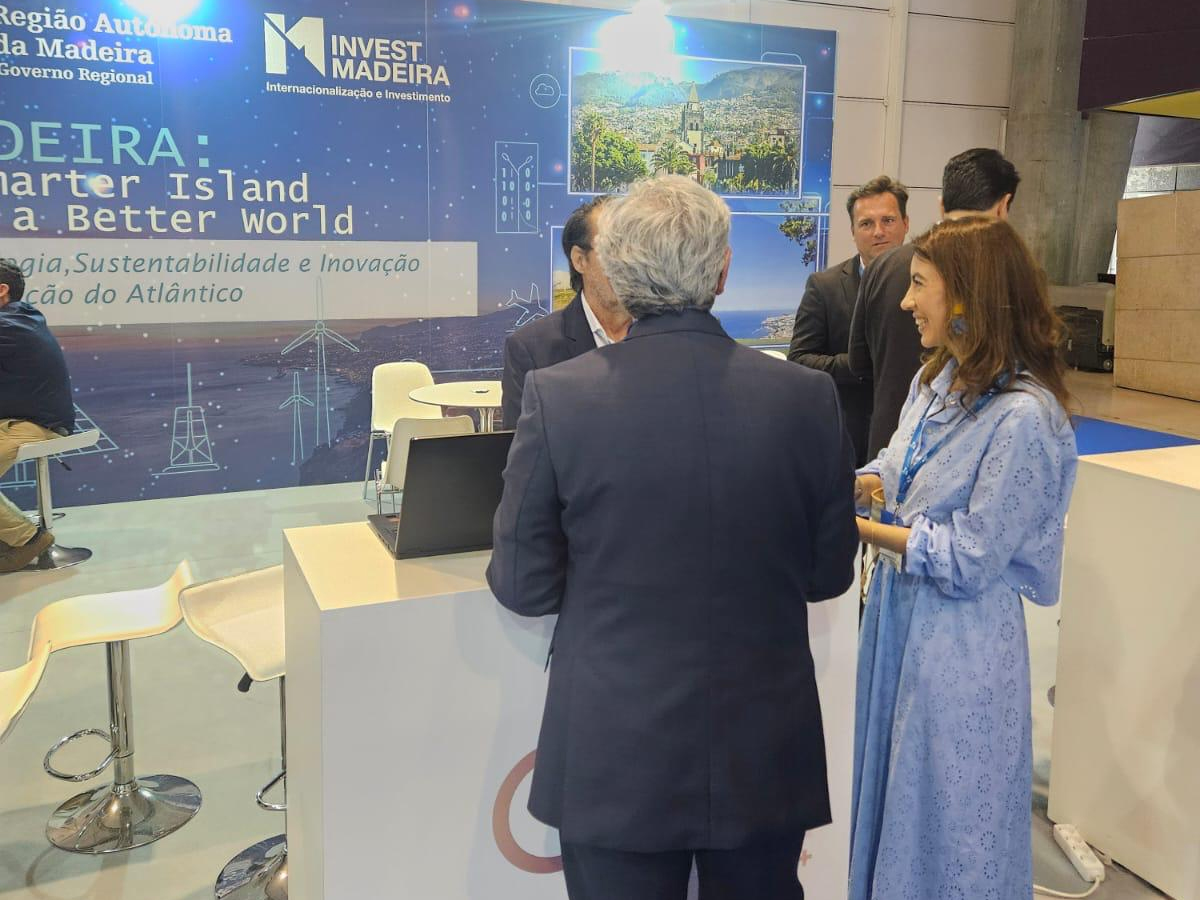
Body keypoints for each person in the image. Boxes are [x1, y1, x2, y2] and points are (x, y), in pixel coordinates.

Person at [487, 175, 858, 900]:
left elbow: (523, 584)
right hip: (762, 748)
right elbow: (829, 575)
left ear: (619, 272)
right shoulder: (806, 397)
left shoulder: (560, 397)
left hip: (613, 752)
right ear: (723, 271)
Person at [848, 217, 1078, 900]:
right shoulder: (936, 380)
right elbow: (896, 469)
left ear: (966, 295)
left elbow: (970, 557)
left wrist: (859, 529)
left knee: (949, 813)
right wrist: (845, 483)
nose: (905, 301)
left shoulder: (1025, 418)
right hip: (898, 620)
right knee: (894, 788)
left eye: (919, 284)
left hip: (961, 642)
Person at [848, 148, 1020, 458]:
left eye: (919, 284)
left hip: (902, 438)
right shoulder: (1012, 276)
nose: (908, 302)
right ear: (1003, 207)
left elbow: (860, 362)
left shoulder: (884, 265)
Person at [788, 175, 909, 465]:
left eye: (888, 220)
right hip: (850, 442)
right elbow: (799, 359)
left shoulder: (931, 285)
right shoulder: (824, 287)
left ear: (906, 224)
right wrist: (861, 363)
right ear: (853, 232)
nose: (878, 232)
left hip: (912, 435)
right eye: (866, 224)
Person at [499, 196, 629, 429]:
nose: (627, 262)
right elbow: (519, 446)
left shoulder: (666, 338)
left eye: (635, 250)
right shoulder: (531, 351)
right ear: (579, 260)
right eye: (613, 249)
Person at [0, 260, 75, 573]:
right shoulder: (19, 318)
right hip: (20, 419)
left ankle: (28, 540)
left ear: (2, 290)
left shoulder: (10, 324)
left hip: (38, 425)